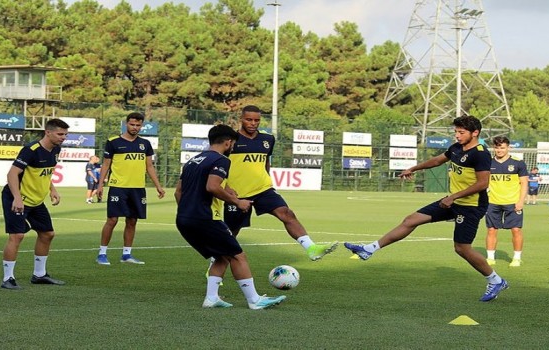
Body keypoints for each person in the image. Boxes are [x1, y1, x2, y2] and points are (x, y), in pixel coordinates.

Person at [344, 115, 509, 302]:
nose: (457, 135)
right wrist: (413, 168)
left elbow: (482, 183)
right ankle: (369, 249)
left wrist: (453, 196)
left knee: (462, 249)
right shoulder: (456, 148)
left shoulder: (480, 154)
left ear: (475, 133)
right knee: (410, 220)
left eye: (461, 132)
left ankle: (496, 280)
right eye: (455, 131)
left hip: (471, 206)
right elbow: (438, 160)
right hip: (452, 201)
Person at [175, 124, 286, 309]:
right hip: (206, 218)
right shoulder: (222, 160)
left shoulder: (193, 160)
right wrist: (238, 202)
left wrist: (190, 210)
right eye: (233, 144)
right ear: (228, 142)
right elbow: (212, 186)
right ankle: (254, 300)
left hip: (184, 219)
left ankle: (211, 298)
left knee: (222, 256)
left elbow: (178, 192)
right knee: (238, 255)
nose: (233, 147)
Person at [222, 105, 338, 262]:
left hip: (263, 189)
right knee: (231, 232)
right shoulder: (230, 140)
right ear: (241, 119)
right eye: (249, 119)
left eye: (257, 120)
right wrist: (226, 187)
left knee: (287, 213)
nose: (253, 123)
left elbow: (265, 162)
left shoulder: (267, 139)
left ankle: (311, 248)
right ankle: (216, 263)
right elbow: (219, 164)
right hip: (237, 194)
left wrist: (267, 179)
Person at [0, 118, 70, 290]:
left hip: (36, 201)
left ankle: (39, 275)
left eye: (66, 135)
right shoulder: (30, 150)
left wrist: (52, 189)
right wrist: (17, 197)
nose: (63, 138)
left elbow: (46, 173)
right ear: (48, 132)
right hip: (17, 199)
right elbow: (12, 174)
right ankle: (8, 278)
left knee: (47, 234)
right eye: (60, 134)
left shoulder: (56, 150)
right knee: (17, 236)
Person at [95, 112, 165, 265]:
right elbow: (106, 165)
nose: (135, 127)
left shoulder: (145, 144)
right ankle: (102, 253)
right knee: (112, 220)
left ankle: (126, 254)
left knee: (132, 220)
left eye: (138, 125)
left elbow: (149, 166)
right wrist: (100, 185)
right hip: (118, 186)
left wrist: (158, 186)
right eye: (132, 124)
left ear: (142, 126)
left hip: (138, 188)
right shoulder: (113, 142)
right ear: (126, 124)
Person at [485, 136, 528, 267]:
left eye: (502, 147)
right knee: (491, 230)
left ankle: (516, 258)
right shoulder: (488, 163)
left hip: (513, 202)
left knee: (516, 230)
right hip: (493, 202)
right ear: (494, 148)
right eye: (497, 148)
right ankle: (490, 257)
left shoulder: (518, 163)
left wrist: (521, 201)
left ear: (508, 147)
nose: (499, 150)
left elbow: (524, 183)